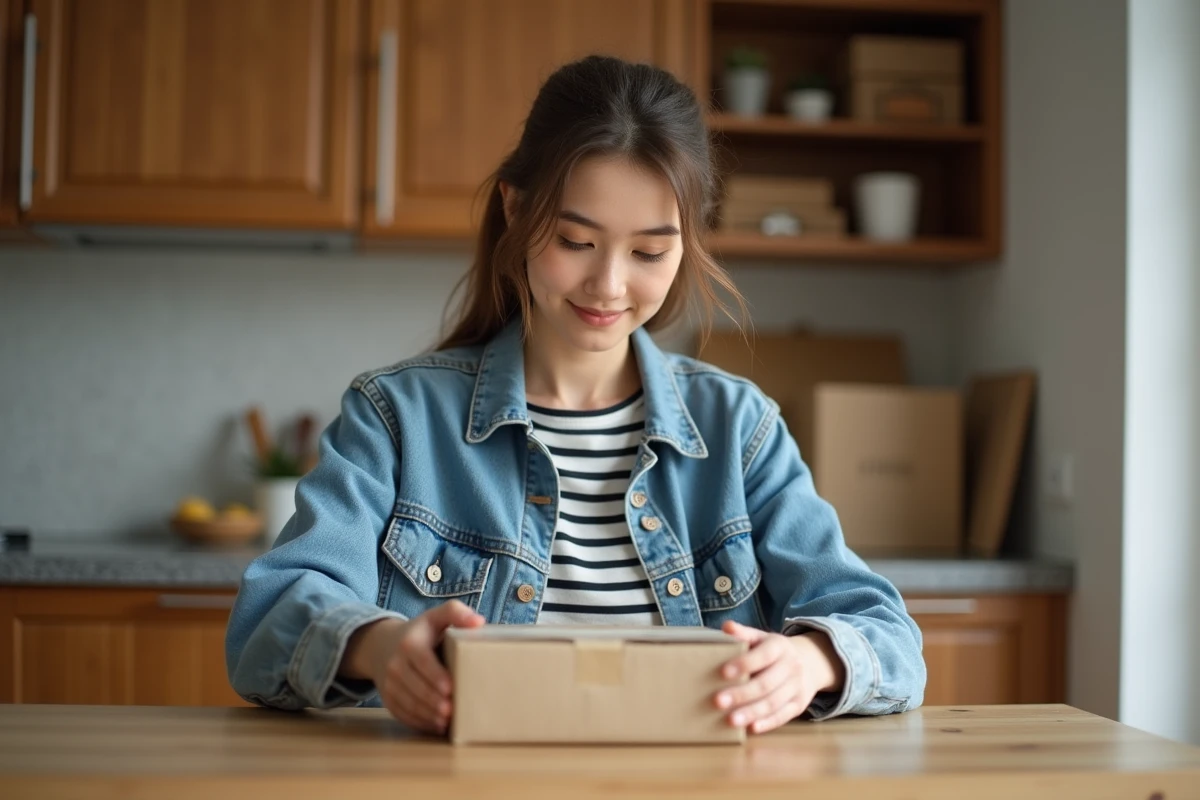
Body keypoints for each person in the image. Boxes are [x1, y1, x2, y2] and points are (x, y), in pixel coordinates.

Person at [226, 54, 924, 737]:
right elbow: (267, 620)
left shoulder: (740, 428)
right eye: (575, 240)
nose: (609, 286)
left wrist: (810, 661)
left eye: (649, 252)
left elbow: (886, 635)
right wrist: (378, 649)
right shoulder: (397, 417)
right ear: (515, 209)